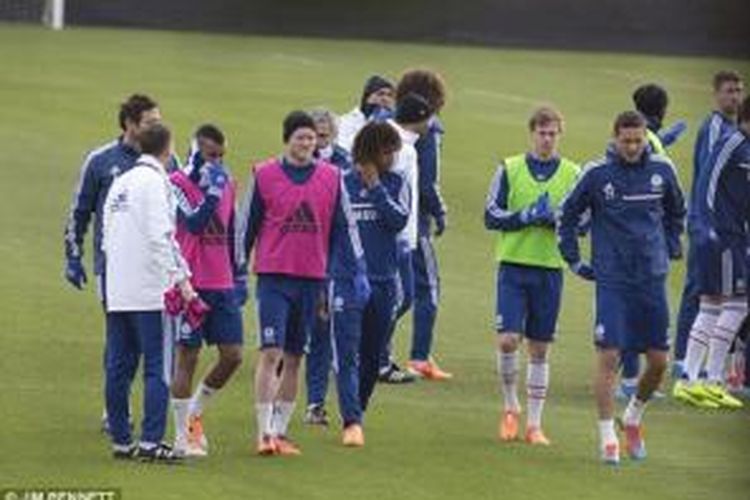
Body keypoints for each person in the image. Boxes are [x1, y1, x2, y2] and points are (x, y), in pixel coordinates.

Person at [558, 111, 685, 465]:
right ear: (614, 138)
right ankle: (606, 437)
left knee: (659, 363)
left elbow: (678, 210)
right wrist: (573, 258)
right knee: (609, 357)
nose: (632, 147)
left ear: (645, 138)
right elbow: (566, 214)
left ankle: (632, 417)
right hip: (613, 281)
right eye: (626, 140)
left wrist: (673, 244)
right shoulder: (597, 174)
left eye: (638, 140)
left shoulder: (663, 170)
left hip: (651, 279)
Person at [236, 110, 361, 456]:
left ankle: (279, 431)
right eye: (300, 137)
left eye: (311, 138)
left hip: (313, 280)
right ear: (287, 139)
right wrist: (237, 272)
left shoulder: (332, 177)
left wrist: (354, 270)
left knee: (295, 357)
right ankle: (262, 433)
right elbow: (246, 227)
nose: (307, 143)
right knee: (271, 352)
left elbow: (345, 229)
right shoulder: (264, 175)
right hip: (275, 277)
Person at [63, 94, 161, 433]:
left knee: (147, 347)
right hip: (114, 269)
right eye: (150, 122)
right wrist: (73, 256)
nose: (157, 127)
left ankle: (124, 415)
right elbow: (79, 211)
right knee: (122, 344)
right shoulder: (102, 160)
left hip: (154, 271)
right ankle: (115, 411)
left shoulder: (166, 159)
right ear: (130, 124)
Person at [484, 106, 580, 445]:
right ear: (532, 133)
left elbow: (582, 222)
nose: (547, 139)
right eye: (542, 132)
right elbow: (491, 215)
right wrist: (525, 216)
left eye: (553, 133)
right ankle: (511, 406)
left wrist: (556, 220)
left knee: (540, 348)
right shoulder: (509, 168)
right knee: (509, 339)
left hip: (550, 268)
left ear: (560, 135)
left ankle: (535, 425)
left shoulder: (573, 173)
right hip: (513, 265)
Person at [102, 123, 195, 462]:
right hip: (149, 291)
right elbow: (162, 237)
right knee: (157, 367)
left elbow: (105, 240)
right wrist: (182, 279)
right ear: (167, 149)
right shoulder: (157, 183)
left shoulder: (120, 182)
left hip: (118, 290)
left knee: (117, 366)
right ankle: (151, 442)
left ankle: (122, 441)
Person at [328, 121, 408, 446]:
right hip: (346, 281)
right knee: (346, 354)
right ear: (372, 151)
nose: (393, 158)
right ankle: (352, 421)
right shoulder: (340, 182)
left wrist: (376, 188)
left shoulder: (396, 182)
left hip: (384, 282)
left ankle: (357, 407)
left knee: (372, 355)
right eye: (388, 151)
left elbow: (398, 220)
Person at [169, 124, 246, 457]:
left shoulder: (228, 183)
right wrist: (212, 192)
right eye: (210, 156)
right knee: (188, 356)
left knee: (233, 356)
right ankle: (181, 435)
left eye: (221, 157)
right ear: (195, 153)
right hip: (191, 283)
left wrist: (239, 274)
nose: (217, 163)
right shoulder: (176, 185)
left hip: (222, 282)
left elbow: (229, 233)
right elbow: (196, 224)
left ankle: (195, 413)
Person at [672, 96, 750, 410]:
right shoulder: (733, 142)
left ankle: (705, 380)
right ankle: (694, 378)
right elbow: (706, 180)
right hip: (721, 236)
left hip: (735, 237)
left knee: (723, 304)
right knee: (724, 304)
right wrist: (704, 226)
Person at [617, 83, 687, 399]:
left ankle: (631, 376)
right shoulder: (650, 145)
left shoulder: (650, 140)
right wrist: (672, 241)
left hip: (639, 244)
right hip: (643, 244)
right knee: (637, 313)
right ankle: (630, 379)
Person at [392, 69, 453, 380]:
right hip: (414, 222)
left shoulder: (387, 122)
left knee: (390, 285)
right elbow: (429, 180)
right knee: (426, 288)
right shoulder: (430, 129)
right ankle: (418, 357)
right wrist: (440, 213)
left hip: (386, 218)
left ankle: (375, 349)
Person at [376, 93, 432, 383]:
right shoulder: (400, 147)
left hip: (401, 236)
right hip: (394, 238)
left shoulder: (405, 144)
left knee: (400, 298)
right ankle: (375, 358)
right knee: (401, 297)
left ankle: (378, 357)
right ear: (419, 118)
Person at [304, 108, 353, 426]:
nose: (317, 143)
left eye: (323, 136)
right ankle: (315, 402)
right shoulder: (300, 166)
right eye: (313, 136)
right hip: (310, 257)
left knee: (341, 334)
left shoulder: (344, 163)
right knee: (319, 332)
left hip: (338, 259)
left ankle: (347, 404)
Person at [338, 75, 396, 152]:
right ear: (367, 97)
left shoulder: (395, 123)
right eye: (380, 94)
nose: (385, 99)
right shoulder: (347, 120)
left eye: (389, 95)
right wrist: (372, 125)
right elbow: (344, 147)